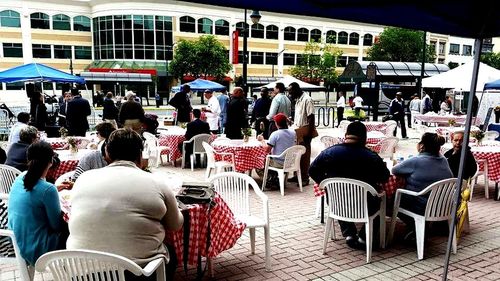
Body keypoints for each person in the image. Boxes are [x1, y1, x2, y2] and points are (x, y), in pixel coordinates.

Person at [67, 129, 183, 274]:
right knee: (170, 253)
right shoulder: (157, 183)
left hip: (80, 271)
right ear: (140, 155)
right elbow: (175, 224)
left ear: (107, 153)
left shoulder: (83, 179)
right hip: (136, 272)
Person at [309, 122, 390, 249]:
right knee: (381, 203)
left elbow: (312, 171)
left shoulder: (329, 152)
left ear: (346, 135)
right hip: (365, 204)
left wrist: (326, 183)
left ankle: (350, 234)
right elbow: (385, 177)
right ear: (364, 138)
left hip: (337, 203)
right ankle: (363, 237)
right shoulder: (371, 156)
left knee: (340, 198)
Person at [7, 142, 68, 266]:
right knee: (72, 228)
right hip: (37, 249)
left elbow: (33, 192)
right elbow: (55, 226)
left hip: (16, 240)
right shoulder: (48, 190)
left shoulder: (20, 178)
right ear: (51, 161)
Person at [392, 133, 453, 234]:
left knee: (393, 199)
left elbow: (394, 170)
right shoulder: (444, 160)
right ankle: (420, 227)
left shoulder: (416, 161)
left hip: (421, 206)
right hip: (442, 205)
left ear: (422, 145)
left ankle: (416, 226)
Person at [289, 82, 315, 186]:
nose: (290, 94)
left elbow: (311, 117)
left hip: (305, 131)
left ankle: (305, 177)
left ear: (296, 90)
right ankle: (297, 176)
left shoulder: (307, 100)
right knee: (297, 155)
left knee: (304, 156)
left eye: (291, 92)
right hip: (298, 131)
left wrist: (309, 133)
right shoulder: (297, 101)